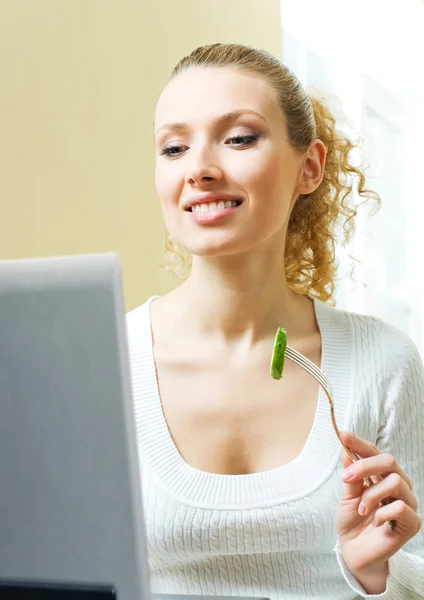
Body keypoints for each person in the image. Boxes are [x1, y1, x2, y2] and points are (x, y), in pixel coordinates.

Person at [126, 43, 424, 599]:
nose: (201, 169)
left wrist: (375, 576)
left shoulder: (383, 363)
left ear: (308, 167)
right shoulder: (105, 361)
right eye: (173, 147)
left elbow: (414, 568)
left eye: (239, 138)